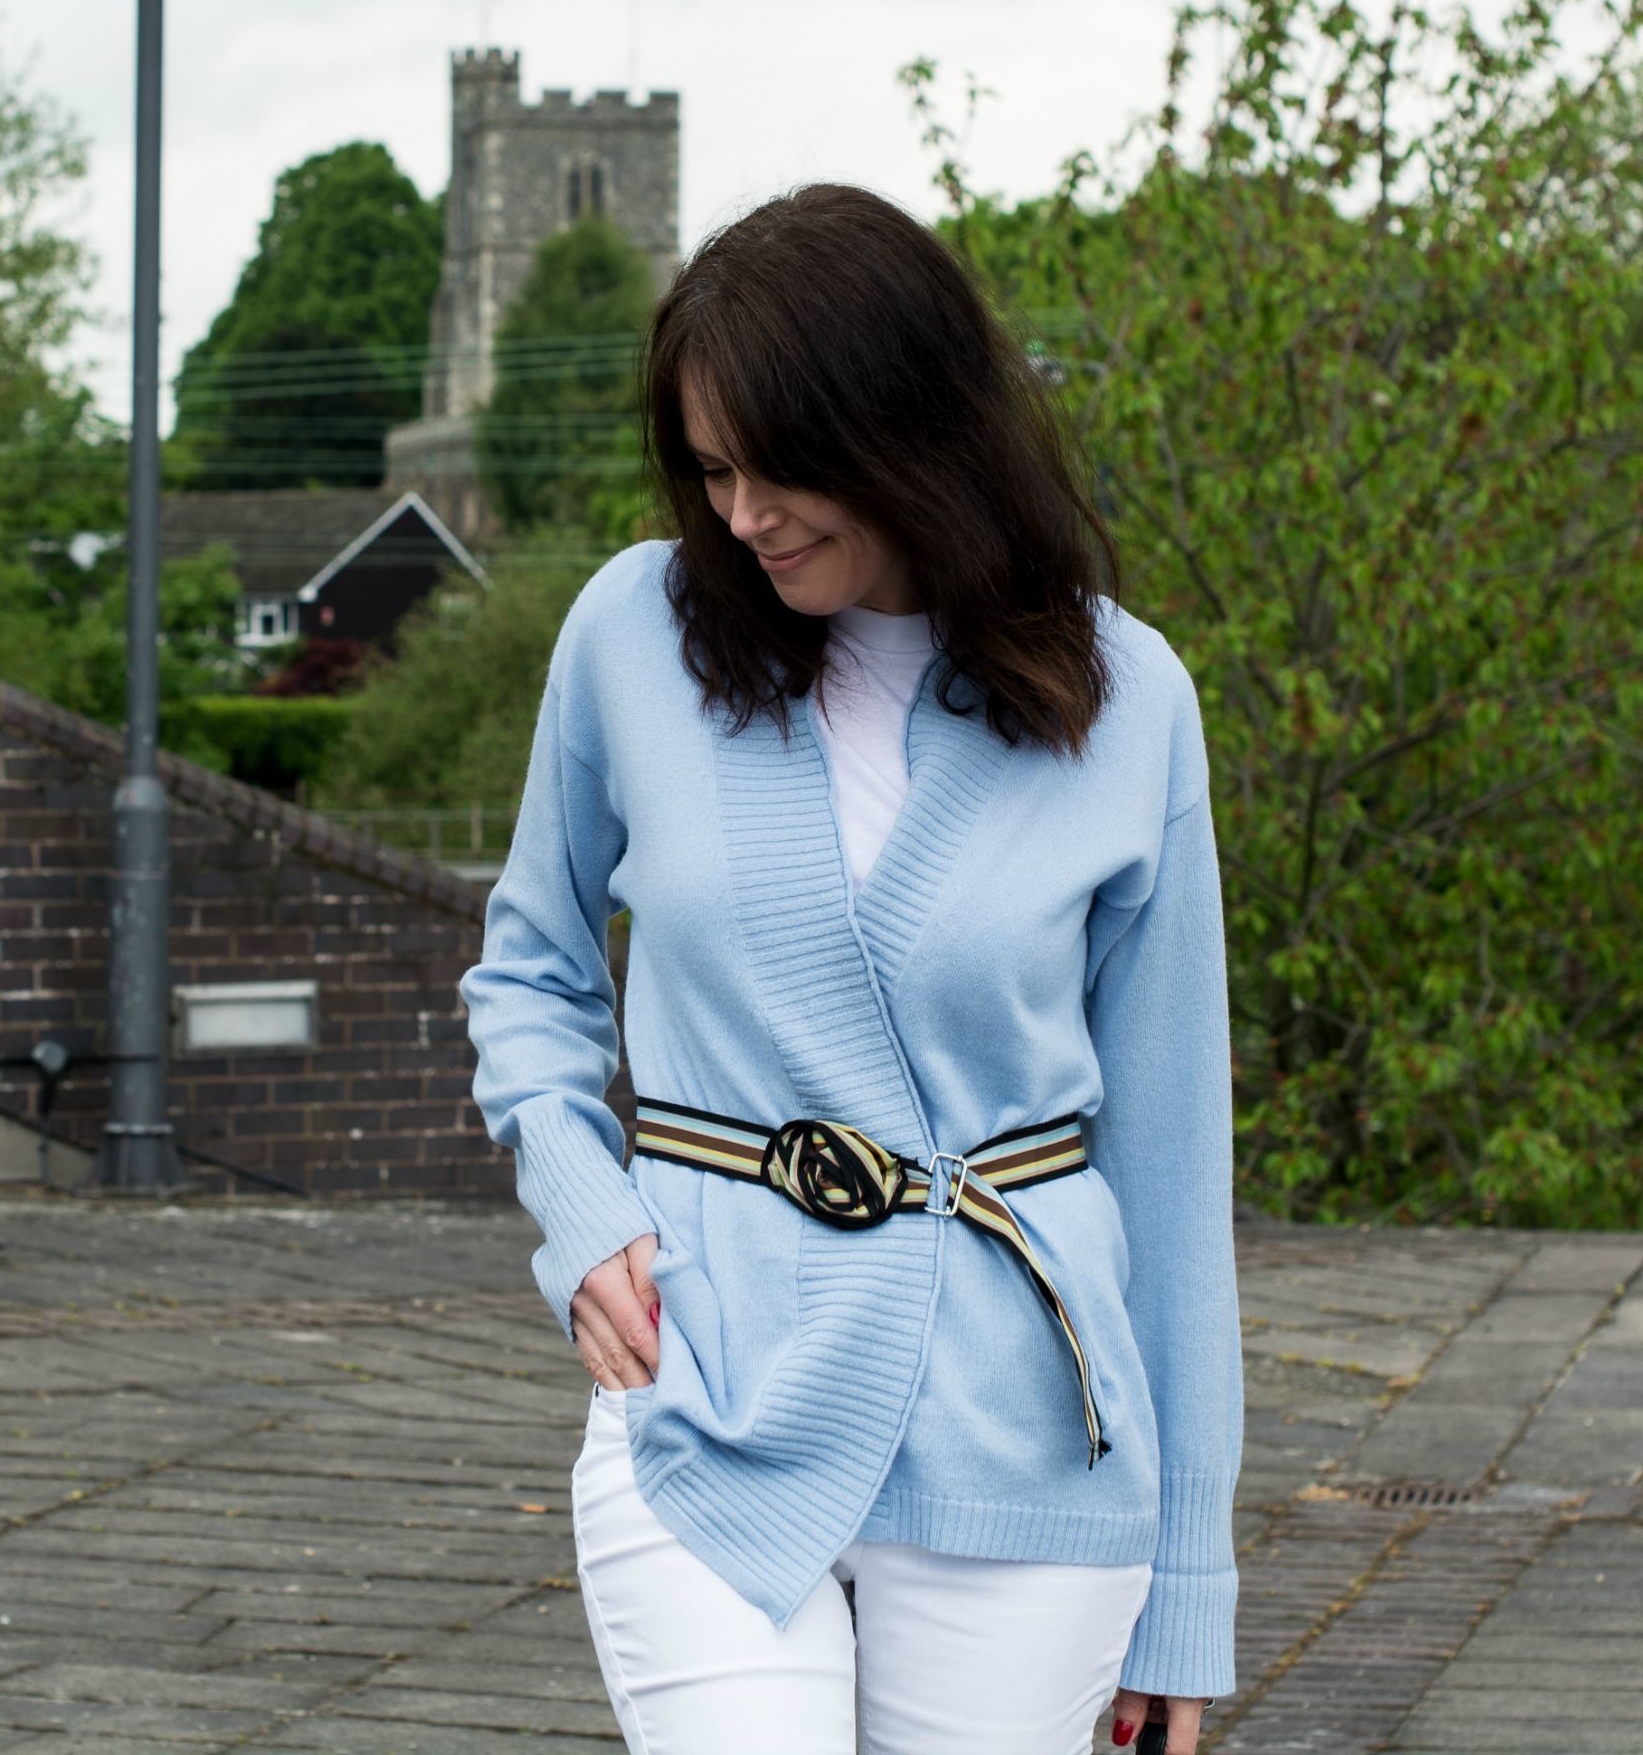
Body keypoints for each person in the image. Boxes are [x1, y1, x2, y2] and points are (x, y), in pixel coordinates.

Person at [463, 183, 1240, 1755]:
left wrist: (1189, 1590)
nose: (741, 515)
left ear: (908, 427)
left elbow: (1170, 1170)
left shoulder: (1128, 699)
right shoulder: (635, 632)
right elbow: (530, 965)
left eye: (777, 466)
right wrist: (581, 1198)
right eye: (711, 470)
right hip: (709, 1380)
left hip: (1027, 1432)